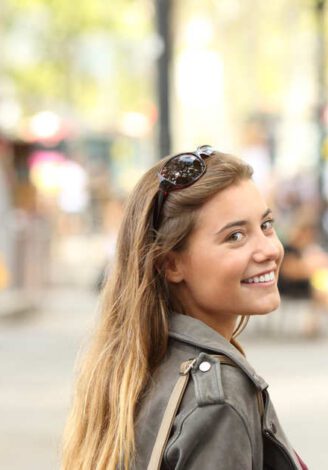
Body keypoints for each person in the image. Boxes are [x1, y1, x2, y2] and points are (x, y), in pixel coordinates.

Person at [61, 146, 306, 470]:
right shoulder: (218, 398)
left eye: (266, 225)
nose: (268, 250)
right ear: (171, 264)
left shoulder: (139, 366)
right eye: (235, 236)